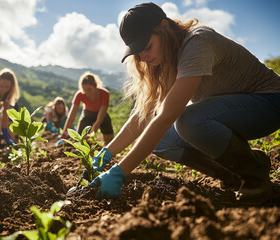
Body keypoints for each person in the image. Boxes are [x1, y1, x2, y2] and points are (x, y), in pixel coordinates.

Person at [88, 2, 280, 205]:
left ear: (164, 26)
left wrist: (119, 172)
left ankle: (254, 174)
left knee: (188, 120)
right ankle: (233, 174)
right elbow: (143, 116)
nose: (143, 56)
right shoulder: (165, 59)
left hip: (269, 102)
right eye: (137, 52)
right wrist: (107, 153)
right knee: (163, 141)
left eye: (147, 46)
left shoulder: (198, 42)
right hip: (231, 112)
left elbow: (165, 118)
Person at [57, 72, 114, 145]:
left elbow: (99, 120)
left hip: (101, 114)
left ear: (95, 86)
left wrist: (91, 134)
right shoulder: (80, 94)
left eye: (90, 89)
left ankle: (108, 148)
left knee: (109, 136)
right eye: (85, 90)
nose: (87, 93)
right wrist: (64, 133)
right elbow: (71, 115)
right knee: (79, 138)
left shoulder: (105, 93)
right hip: (87, 114)